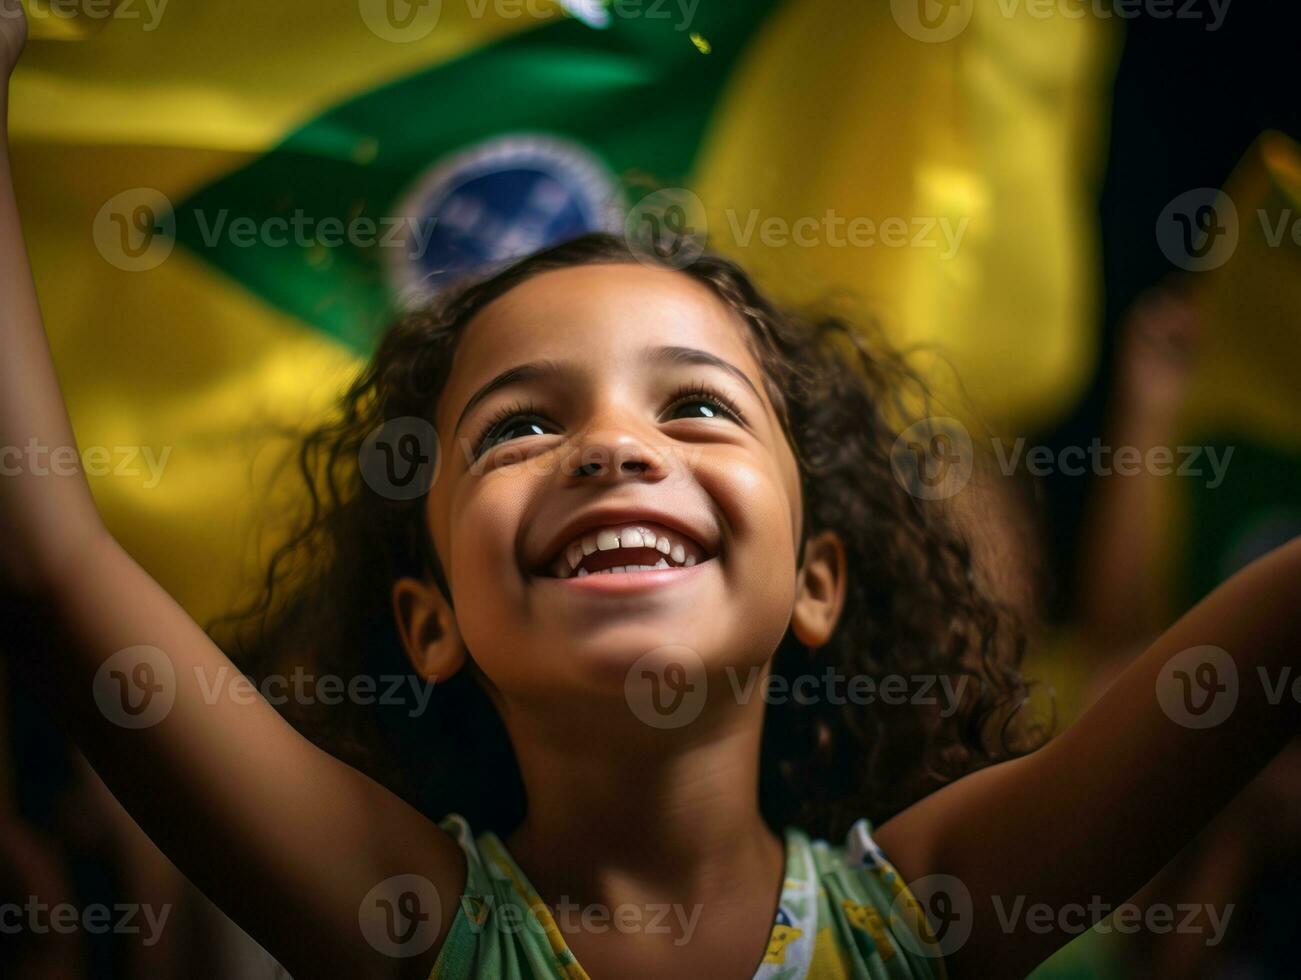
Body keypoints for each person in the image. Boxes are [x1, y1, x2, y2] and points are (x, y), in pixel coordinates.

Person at [2, 7, 1300, 978]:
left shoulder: (938, 900)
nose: (613, 448)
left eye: (693, 407)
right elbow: (53, 561)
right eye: (518, 426)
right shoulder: (401, 919)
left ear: (815, 581)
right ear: (429, 619)